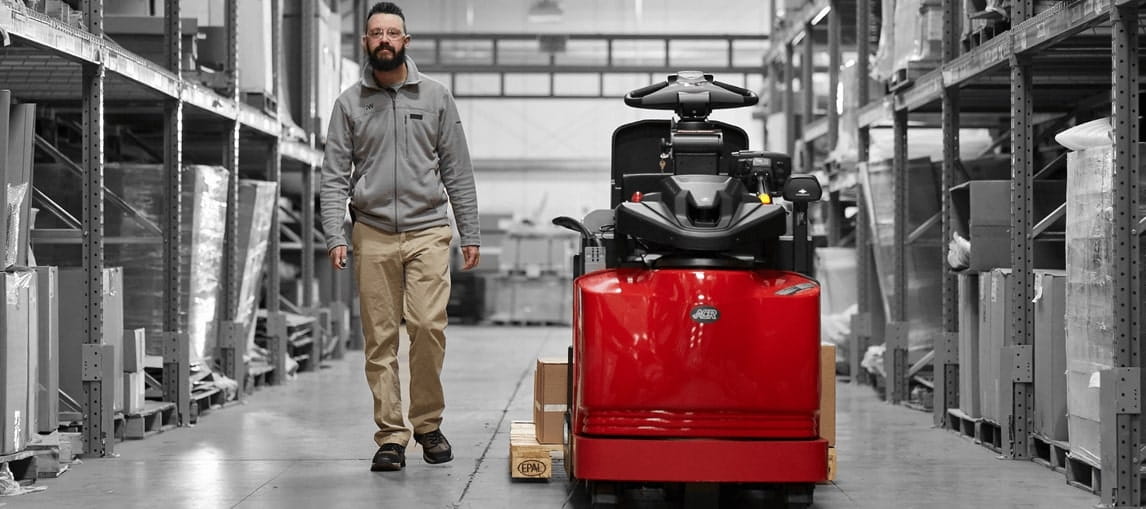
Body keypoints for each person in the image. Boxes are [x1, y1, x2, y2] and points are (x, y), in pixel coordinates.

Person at [320, 1, 480, 472]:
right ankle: (391, 435)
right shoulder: (350, 103)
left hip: (429, 229)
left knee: (429, 328)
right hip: (371, 233)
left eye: (393, 32)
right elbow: (333, 175)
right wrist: (336, 233)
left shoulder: (435, 98)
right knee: (379, 339)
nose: (384, 39)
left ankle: (427, 425)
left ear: (405, 42)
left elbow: (458, 170)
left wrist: (469, 230)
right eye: (376, 33)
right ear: (366, 42)